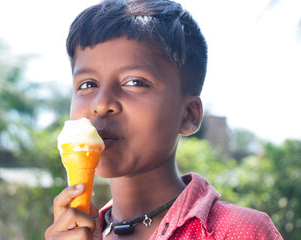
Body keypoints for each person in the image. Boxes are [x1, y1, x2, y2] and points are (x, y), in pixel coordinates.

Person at [45, 0, 283, 239]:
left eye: (135, 82)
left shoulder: (239, 231)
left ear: (188, 115)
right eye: (88, 84)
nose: (102, 104)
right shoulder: (77, 233)